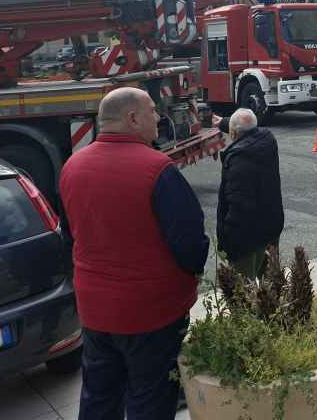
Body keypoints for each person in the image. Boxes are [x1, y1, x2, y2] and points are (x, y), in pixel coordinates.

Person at [59, 87, 209, 419]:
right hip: (150, 314)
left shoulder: (72, 166)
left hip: (95, 312)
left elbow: (74, 234)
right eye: (153, 111)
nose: (158, 117)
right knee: (150, 396)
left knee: (99, 393)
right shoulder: (157, 169)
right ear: (132, 118)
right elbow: (190, 245)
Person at [217, 108, 284, 280]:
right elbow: (248, 131)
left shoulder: (239, 160)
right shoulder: (267, 140)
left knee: (243, 294)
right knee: (271, 289)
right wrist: (223, 122)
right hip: (270, 231)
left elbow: (238, 208)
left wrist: (227, 243)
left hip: (246, 242)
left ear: (233, 133)